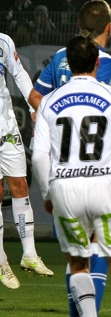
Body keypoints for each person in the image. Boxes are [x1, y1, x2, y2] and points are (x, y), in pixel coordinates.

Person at [31, 35, 111, 317]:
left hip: (65, 188)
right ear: (98, 62)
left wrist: (48, 192)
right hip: (105, 185)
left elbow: (38, 157)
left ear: (68, 64)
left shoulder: (48, 101)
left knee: (77, 262)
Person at [27, 0, 111, 317]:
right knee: (96, 248)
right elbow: (105, 107)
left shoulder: (57, 59)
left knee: (73, 250)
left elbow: (36, 97)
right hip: (93, 167)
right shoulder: (103, 63)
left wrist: (53, 116)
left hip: (60, 167)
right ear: (109, 27)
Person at [0, 33, 54, 290]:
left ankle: (29, 255)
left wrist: (35, 108)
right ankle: (1, 262)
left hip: (8, 127)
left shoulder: (4, 42)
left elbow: (19, 74)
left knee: (20, 186)